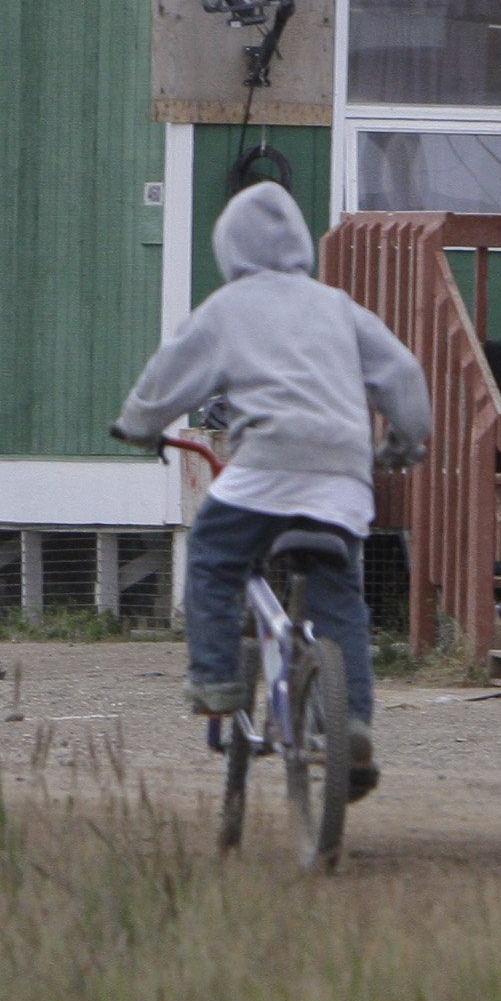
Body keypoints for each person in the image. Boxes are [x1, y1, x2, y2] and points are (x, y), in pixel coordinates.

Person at [111, 182, 433, 799]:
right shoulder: (338, 306)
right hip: (342, 473)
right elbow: (402, 373)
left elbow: (166, 378)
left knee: (211, 555)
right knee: (340, 596)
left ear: (228, 247)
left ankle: (216, 682)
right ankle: (353, 722)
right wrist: (405, 441)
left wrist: (138, 425)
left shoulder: (227, 308)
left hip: (267, 469)